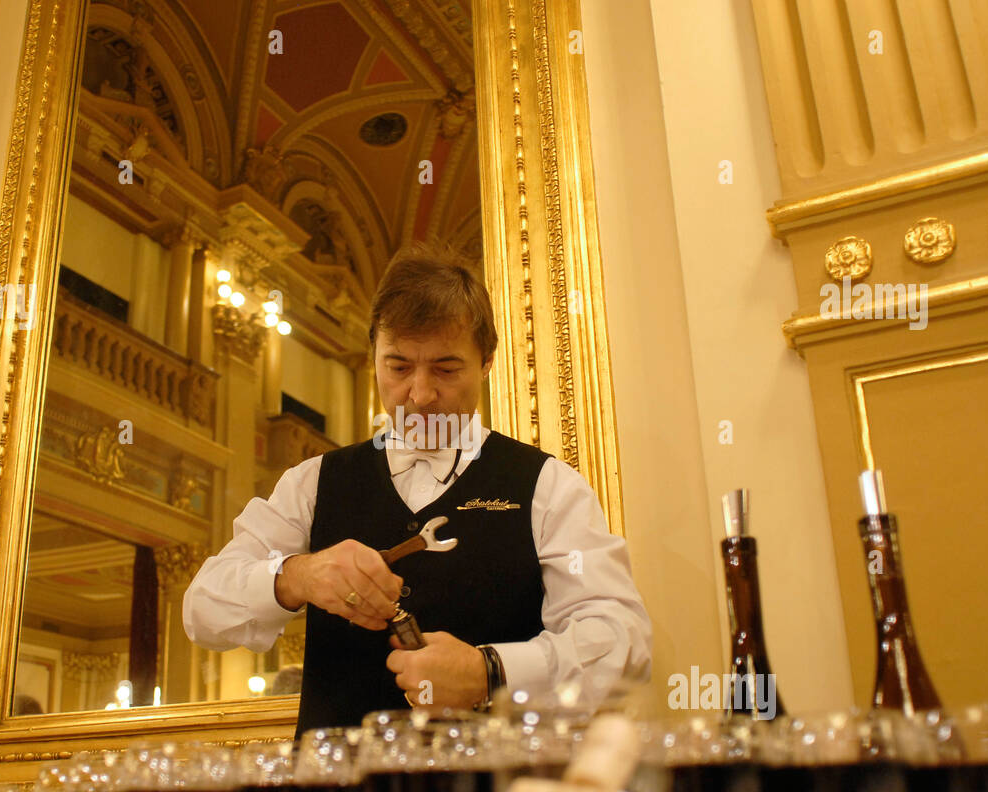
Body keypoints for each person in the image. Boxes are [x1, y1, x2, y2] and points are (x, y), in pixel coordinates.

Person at [183, 244, 651, 736]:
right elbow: (203, 609)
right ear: (373, 357)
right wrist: (296, 577)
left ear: (487, 360)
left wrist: (490, 672)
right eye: (399, 367)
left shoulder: (549, 487)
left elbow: (623, 641)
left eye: (446, 369)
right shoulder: (311, 483)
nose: (421, 394)